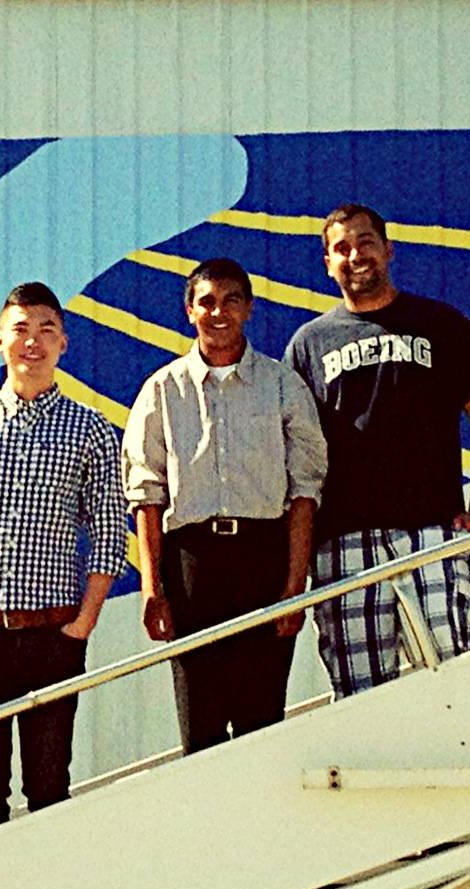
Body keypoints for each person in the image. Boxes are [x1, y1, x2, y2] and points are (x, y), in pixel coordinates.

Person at [0, 281, 125, 829]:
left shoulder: (93, 429)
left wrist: (84, 624)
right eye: (21, 331)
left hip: (54, 637)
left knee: (49, 788)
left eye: (46, 331)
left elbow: (109, 529)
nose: (32, 342)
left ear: (63, 344)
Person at [283, 205, 470, 698]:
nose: (355, 256)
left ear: (388, 250)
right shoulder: (308, 344)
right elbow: (294, 455)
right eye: (341, 248)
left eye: (365, 243)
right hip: (343, 541)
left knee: (460, 673)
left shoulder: (438, 322)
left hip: (429, 529)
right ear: (326, 263)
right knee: (360, 693)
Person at [123, 257, 328, 753]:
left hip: (263, 558)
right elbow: (146, 492)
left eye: (231, 300)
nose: (219, 312)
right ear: (189, 310)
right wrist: (154, 588)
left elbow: (305, 489)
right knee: (202, 727)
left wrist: (293, 586)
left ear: (249, 308)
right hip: (192, 566)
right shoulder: (161, 390)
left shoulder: (282, 385)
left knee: (261, 722)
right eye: (207, 302)